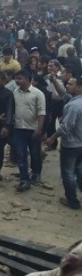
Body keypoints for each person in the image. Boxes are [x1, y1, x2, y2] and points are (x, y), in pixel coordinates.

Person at [46, 75, 82, 210]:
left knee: (68, 173)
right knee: (79, 170)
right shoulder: (74, 102)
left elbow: (66, 127)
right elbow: (63, 93)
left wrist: (52, 138)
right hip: (80, 143)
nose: (67, 85)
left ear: (79, 88)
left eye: (71, 84)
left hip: (71, 144)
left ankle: (72, 201)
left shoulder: (73, 106)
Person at [12, 70, 46, 192]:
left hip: (33, 129)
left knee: (35, 153)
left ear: (27, 79)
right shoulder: (15, 92)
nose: (17, 81)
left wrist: (39, 128)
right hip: (19, 128)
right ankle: (24, 180)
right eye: (16, 78)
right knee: (21, 155)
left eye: (20, 78)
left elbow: (42, 112)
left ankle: (36, 173)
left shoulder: (38, 94)